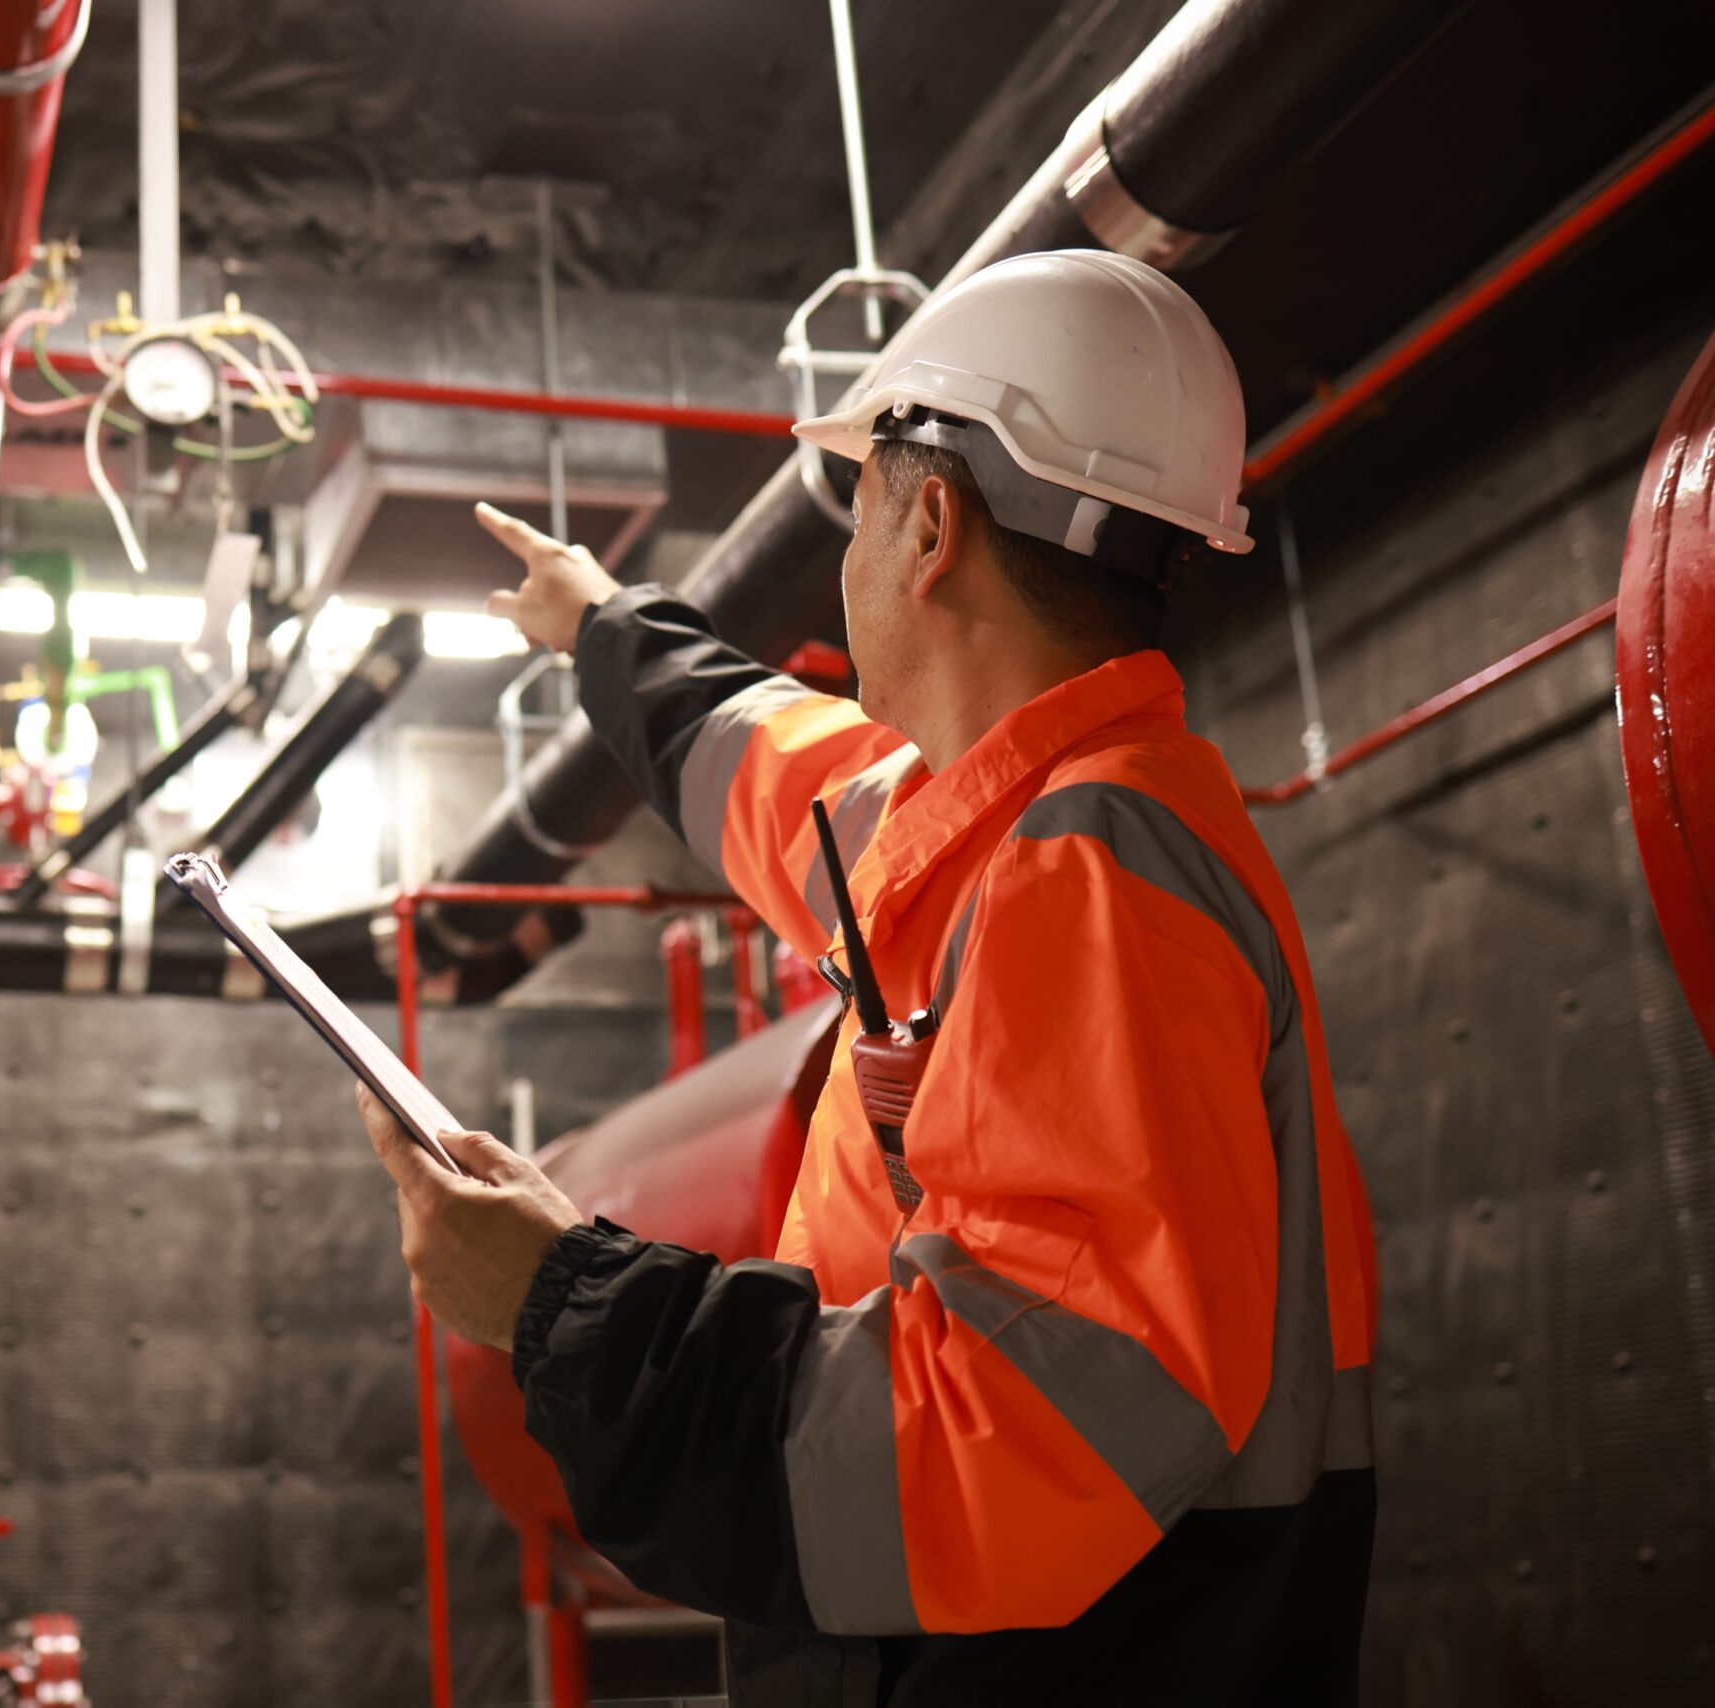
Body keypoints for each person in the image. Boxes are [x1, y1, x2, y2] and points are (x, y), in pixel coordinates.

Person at [353, 249, 1380, 1705]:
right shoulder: (983, 812)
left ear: (932, 521)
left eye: (859, 500)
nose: (847, 546)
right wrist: (601, 628)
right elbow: (767, 770)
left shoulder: (1085, 873)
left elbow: (1021, 1440)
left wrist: (565, 1300)